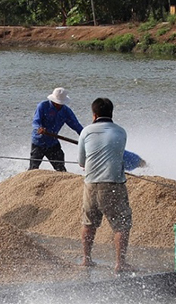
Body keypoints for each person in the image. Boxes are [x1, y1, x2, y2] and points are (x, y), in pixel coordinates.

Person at [78, 97, 133, 274]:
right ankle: (120, 263)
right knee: (121, 225)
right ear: (111, 113)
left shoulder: (86, 132)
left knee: (89, 223)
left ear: (94, 115)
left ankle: (86, 259)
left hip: (91, 183)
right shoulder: (121, 132)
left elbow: (81, 162)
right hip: (113, 183)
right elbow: (118, 154)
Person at [30, 87, 84, 171]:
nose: (58, 105)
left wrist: (85, 137)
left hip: (52, 143)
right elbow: (36, 122)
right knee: (33, 169)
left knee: (61, 169)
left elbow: (76, 126)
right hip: (38, 142)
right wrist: (39, 128)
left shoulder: (66, 111)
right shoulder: (43, 106)